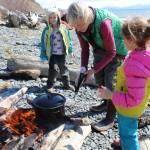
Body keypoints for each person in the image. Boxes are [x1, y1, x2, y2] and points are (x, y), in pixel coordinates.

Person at [67, 2, 128, 131]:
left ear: (87, 18)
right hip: (100, 47)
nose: (78, 29)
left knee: (111, 82)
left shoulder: (103, 23)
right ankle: (106, 103)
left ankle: (110, 118)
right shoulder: (79, 27)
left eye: (80, 25)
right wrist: (83, 69)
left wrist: (93, 69)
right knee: (99, 77)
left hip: (118, 50)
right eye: (75, 26)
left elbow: (112, 51)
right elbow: (84, 50)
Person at [99, 16, 150, 150]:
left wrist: (110, 95)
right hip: (131, 106)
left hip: (129, 109)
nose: (122, 42)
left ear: (132, 40)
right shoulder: (142, 54)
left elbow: (133, 100)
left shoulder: (136, 66)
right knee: (126, 127)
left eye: (123, 39)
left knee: (128, 133)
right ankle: (123, 141)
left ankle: (128, 144)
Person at [40, 8, 74, 91]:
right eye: (50, 18)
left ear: (58, 17)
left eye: (54, 17)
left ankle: (66, 84)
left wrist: (70, 50)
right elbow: (43, 43)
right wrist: (43, 55)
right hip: (51, 54)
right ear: (48, 19)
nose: (52, 19)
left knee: (64, 69)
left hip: (61, 53)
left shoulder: (63, 28)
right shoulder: (47, 30)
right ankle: (50, 85)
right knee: (53, 70)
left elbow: (68, 40)